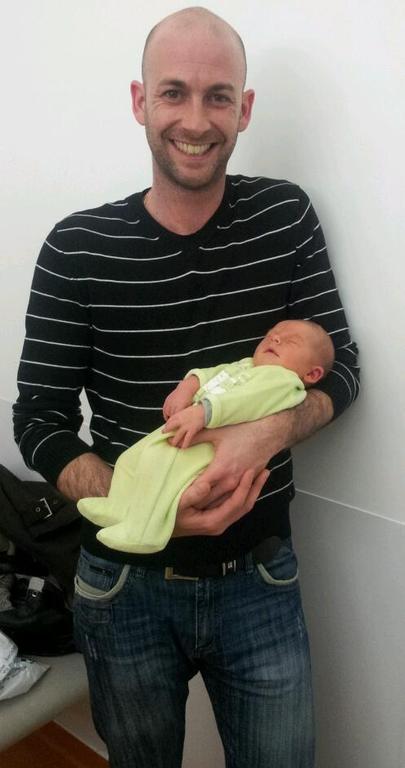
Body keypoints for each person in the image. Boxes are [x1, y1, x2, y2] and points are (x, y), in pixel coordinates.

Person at [13, 7, 359, 768]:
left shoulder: (285, 217)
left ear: (244, 108)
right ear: (141, 102)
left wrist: (265, 432)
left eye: (218, 96)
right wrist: (149, 506)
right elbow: (37, 419)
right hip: (122, 586)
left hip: (259, 574)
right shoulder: (76, 247)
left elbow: (341, 369)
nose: (197, 121)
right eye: (174, 92)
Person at [78, 319, 334, 554]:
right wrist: (188, 385)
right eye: (270, 335)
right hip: (188, 429)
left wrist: (204, 412)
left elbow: (247, 400)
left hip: (207, 450)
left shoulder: (285, 382)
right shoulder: (246, 365)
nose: (274, 339)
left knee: (161, 476)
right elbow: (213, 372)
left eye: (290, 341)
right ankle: (118, 507)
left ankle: (145, 531)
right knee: (129, 459)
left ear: (312, 374)